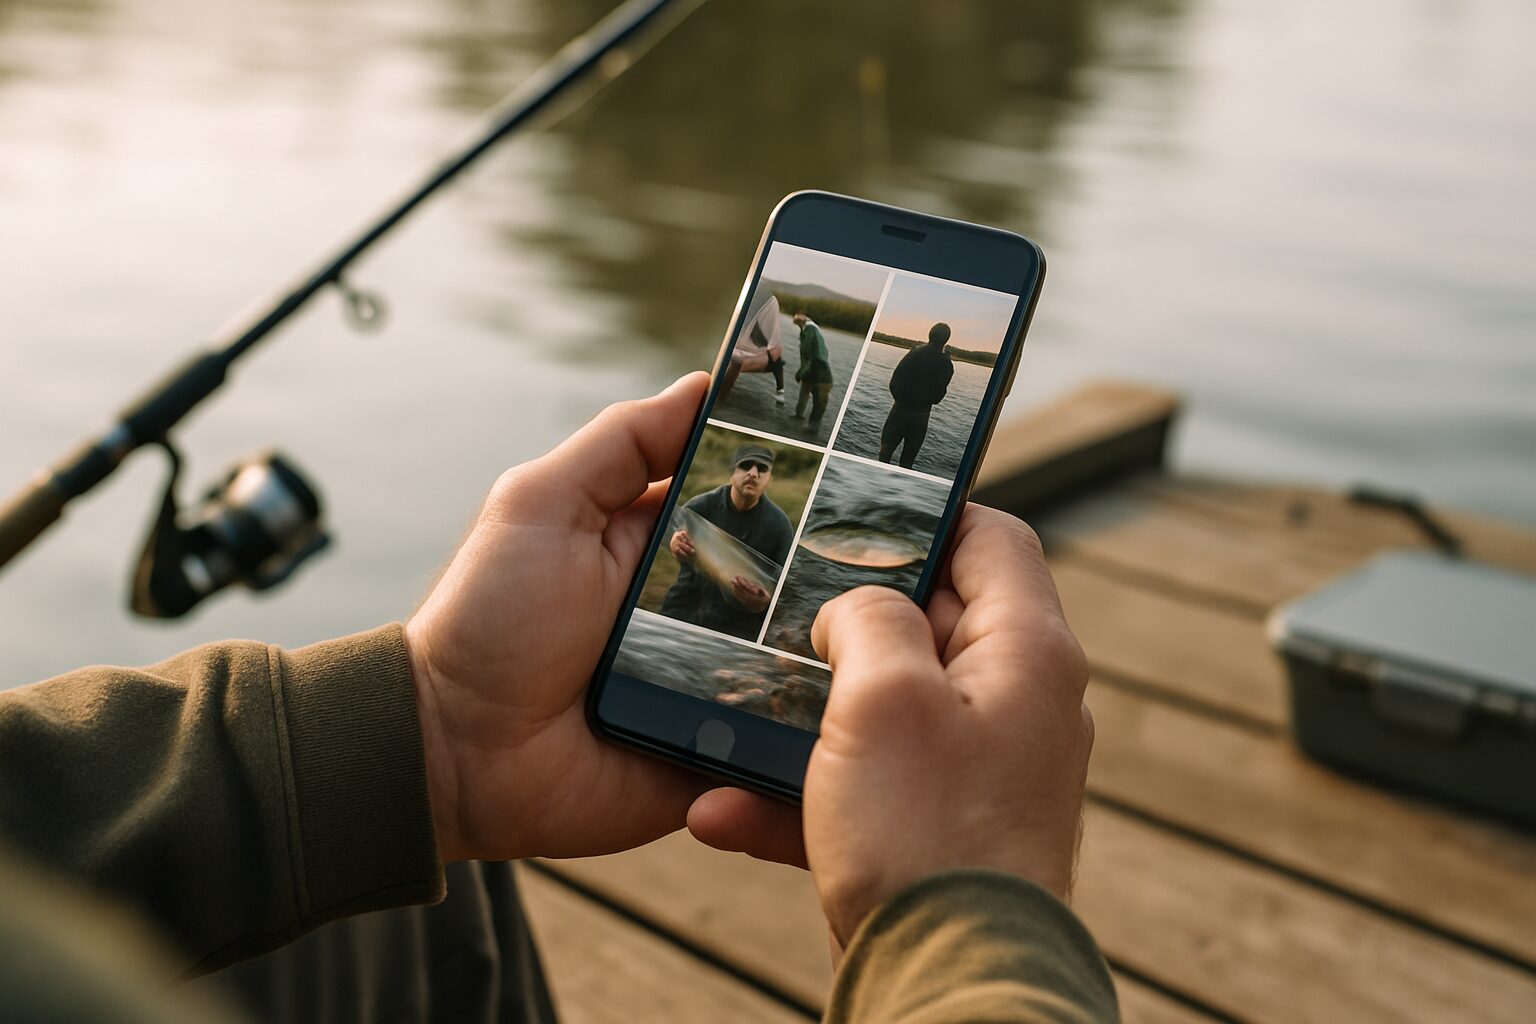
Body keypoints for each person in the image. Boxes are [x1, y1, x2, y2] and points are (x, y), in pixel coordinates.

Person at [0, 374, 1116, 1023]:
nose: (738, 483)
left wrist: (430, 728)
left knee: (423, 876)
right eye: (734, 476)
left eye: (743, 480)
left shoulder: (771, 523)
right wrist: (974, 909)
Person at [659, 443, 795, 639]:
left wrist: (765, 603)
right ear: (732, 475)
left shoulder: (780, 526)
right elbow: (674, 541)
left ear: (769, 480)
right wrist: (675, 545)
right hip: (686, 605)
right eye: (746, 466)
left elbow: (786, 588)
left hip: (739, 623)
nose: (753, 473)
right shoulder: (698, 508)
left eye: (762, 469)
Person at [878, 322, 956, 469]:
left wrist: (901, 400)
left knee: (884, 455)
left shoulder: (915, 352)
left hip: (899, 411)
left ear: (930, 334)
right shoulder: (945, 363)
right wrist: (947, 361)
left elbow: (895, 380)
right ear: (946, 340)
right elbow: (938, 396)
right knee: (907, 463)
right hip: (921, 417)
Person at [792, 310, 834, 431]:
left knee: (817, 401)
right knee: (813, 398)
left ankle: (810, 426)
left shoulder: (809, 330)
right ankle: (802, 418)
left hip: (819, 374)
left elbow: (809, 355)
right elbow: (821, 353)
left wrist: (801, 372)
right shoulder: (812, 330)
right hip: (818, 372)